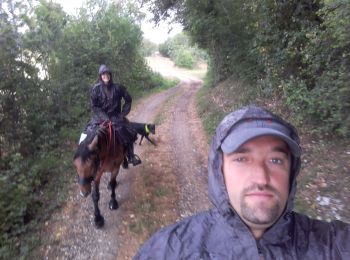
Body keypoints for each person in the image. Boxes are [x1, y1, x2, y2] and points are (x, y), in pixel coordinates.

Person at [134, 105, 350, 259]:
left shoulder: (333, 245)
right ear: (220, 170)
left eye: (275, 160)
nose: (261, 178)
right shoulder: (169, 250)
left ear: (291, 172)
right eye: (242, 159)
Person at [80, 64, 141, 166]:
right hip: (100, 117)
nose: (106, 76)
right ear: (100, 76)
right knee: (88, 131)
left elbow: (128, 100)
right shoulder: (96, 89)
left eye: (107, 74)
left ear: (110, 75)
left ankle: (130, 156)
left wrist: (123, 114)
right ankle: (82, 155)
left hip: (116, 117)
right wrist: (104, 116)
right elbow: (94, 105)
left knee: (127, 132)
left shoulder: (118, 88)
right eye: (103, 74)